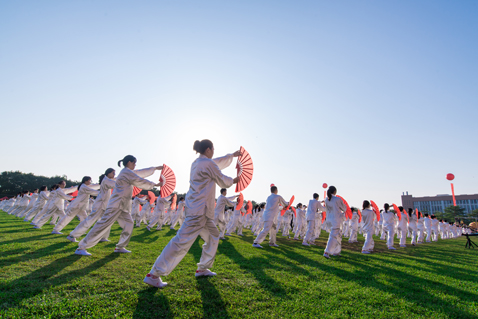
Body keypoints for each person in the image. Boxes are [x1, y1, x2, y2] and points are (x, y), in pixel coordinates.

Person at [144, 140, 241, 288]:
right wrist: (234, 180)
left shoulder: (197, 163)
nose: (214, 151)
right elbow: (224, 181)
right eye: (213, 149)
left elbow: (216, 163)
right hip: (199, 211)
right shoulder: (208, 164)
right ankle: (154, 273)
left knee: (214, 235)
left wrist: (232, 156)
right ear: (208, 149)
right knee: (181, 242)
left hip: (199, 209)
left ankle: (202, 268)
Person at [75, 155, 163, 256]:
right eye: (134, 163)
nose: (135, 165)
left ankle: (120, 246)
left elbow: (139, 173)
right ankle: (81, 247)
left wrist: (155, 168)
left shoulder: (128, 172)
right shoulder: (126, 172)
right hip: (116, 204)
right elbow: (139, 179)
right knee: (102, 225)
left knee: (129, 223)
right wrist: (155, 185)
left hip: (123, 206)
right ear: (129, 162)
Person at [68, 169, 116, 242]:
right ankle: (72, 235)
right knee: (89, 221)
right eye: (113, 173)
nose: (114, 174)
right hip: (100, 205)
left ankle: (103, 237)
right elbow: (117, 184)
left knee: (106, 221)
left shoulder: (107, 180)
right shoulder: (106, 180)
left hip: (103, 205)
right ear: (108, 173)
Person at [323, 186, 346, 258]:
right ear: (335, 191)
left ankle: (336, 251)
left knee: (338, 236)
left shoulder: (326, 199)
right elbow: (344, 208)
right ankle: (327, 252)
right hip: (335, 220)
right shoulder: (337, 199)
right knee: (333, 236)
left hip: (329, 219)